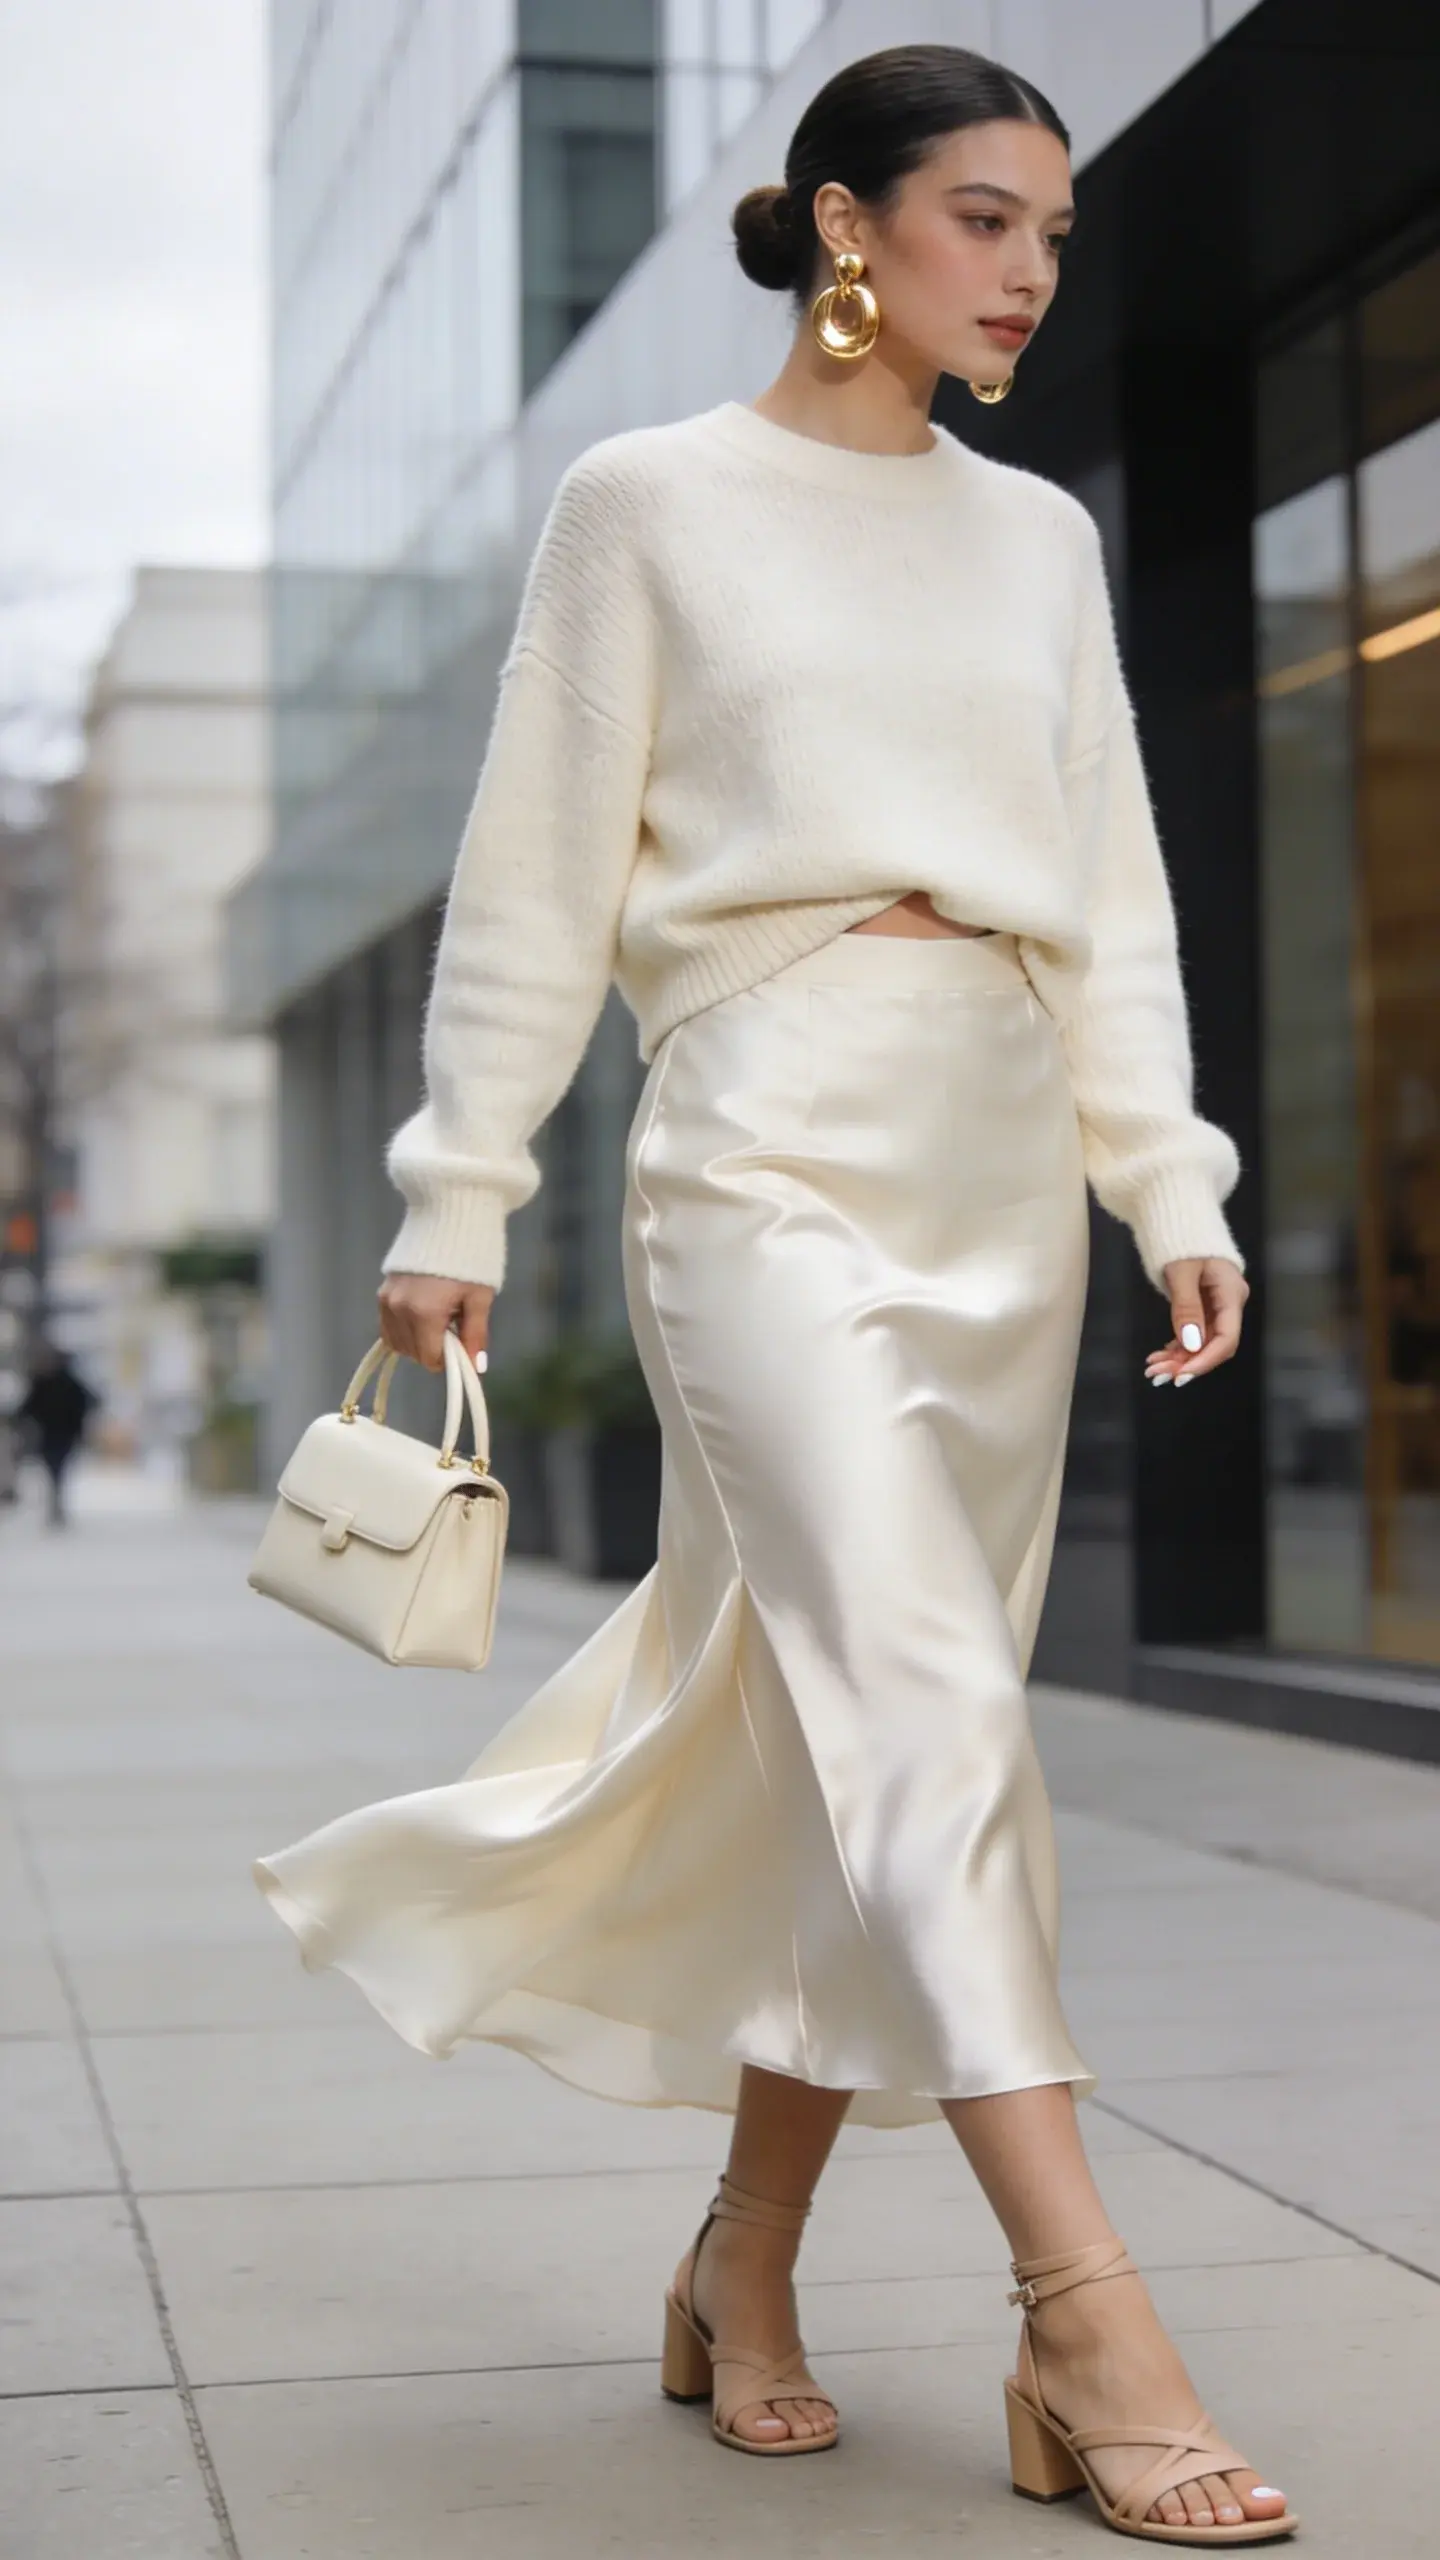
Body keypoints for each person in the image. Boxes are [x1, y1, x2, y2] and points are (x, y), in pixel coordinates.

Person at [254, 44, 1297, 2548]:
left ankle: (743, 2254)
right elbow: (528, 880)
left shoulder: (1034, 539)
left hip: (988, 1150)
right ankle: (1083, 2312)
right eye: (976, 216)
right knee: (927, 1704)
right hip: (757, 1138)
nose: (1028, 266)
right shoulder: (648, 506)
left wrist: (1162, 1175)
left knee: (856, 1743)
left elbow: (1113, 883)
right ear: (844, 225)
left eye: (1048, 223)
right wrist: (453, 1193)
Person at [14, 1339, 99, 1528]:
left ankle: (56, 1504)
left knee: (56, 1470)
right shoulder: (48, 1383)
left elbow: (87, 1403)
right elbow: (28, 1406)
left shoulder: (63, 1383)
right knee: (55, 1470)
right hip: (54, 1435)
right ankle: (56, 1504)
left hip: (60, 1435)